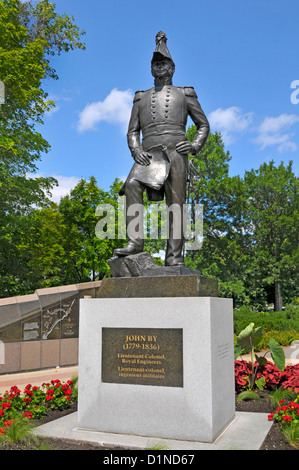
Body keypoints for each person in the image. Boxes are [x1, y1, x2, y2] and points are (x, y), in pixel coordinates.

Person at [114, 32, 209, 266]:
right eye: (155, 63)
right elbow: (132, 131)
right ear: (150, 69)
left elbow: (203, 125)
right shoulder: (140, 97)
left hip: (176, 153)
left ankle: (173, 258)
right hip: (148, 155)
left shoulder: (185, 94)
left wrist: (195, 145)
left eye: (163, 62)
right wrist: (135, 150)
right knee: (131, 186)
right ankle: (135, 242)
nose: (159, 66)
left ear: (172, 67)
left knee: (175, 204)